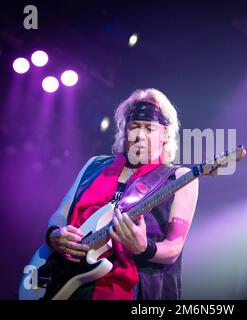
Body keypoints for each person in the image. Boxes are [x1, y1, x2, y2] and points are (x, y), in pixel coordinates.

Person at [45, 88, 199, 300]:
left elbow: (174, 247)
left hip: (129, 288)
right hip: (64, 278)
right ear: (124, 131)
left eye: (149, 128)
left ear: (165, 134)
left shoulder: (180, 177)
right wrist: (54, 234)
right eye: (134, 126)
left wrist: (145, 248)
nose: (140, 135)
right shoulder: (95, 165)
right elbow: (61, 213)